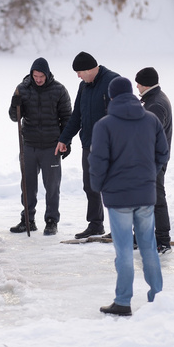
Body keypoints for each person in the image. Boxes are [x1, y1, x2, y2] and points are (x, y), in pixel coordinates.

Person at [88, 77, 169, 316]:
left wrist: (99, 186)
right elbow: (162, 153)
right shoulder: (151, 120)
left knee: (123, 250)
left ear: (112, 97)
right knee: (149, 247)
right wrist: (148, 176)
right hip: (145, 195)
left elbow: (98, 162)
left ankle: (123, 301)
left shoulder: (104, 125)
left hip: (118, 198)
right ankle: (159, 297)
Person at [55, 51, 120, 239]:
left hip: (110, 145)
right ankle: (95, 224)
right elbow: (77, 115)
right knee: (90, 185)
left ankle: (120, 226)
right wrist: (64, 139)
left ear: (90, 69)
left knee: (113, 186)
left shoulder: (113, 82)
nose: (78, 76)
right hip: (89, 144)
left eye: (80, 72)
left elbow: (122, 113)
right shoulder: (84, 86)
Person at [8, 57, 72, 235]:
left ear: (47, 74)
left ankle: (51, 221)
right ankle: (27, 219)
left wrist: (66, 142)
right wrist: (15, 106)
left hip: (51, 146)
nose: (38, 79)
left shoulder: (59, 90)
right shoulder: (22, 89)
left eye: (41, 76)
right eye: (35, 76)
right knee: (27, 185)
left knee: (52, 185)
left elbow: (67, 117)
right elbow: (14, 117)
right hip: (29, 145)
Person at [135, 67, 173, 255]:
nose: (137, 86)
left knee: (156, 199)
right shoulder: (153, 100)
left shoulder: (156, 104)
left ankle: (163, 241)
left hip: (153, 162)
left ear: (145, 84)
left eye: (139, 83)